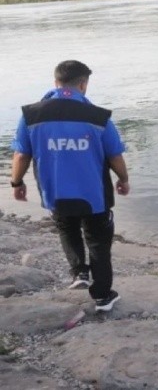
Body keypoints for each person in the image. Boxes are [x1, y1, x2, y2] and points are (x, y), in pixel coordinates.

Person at [10, 60, 130, 312]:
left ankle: (79, 272)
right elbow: (115, 156)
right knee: (98, 242)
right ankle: (102, 296)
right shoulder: (99, 116)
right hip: (94, 195)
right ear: (83, 84)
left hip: (55, 192)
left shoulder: (30, 115)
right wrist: (123, 179)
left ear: (56, 83)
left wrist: (17, 182)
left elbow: (21, 155)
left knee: (67, 228)